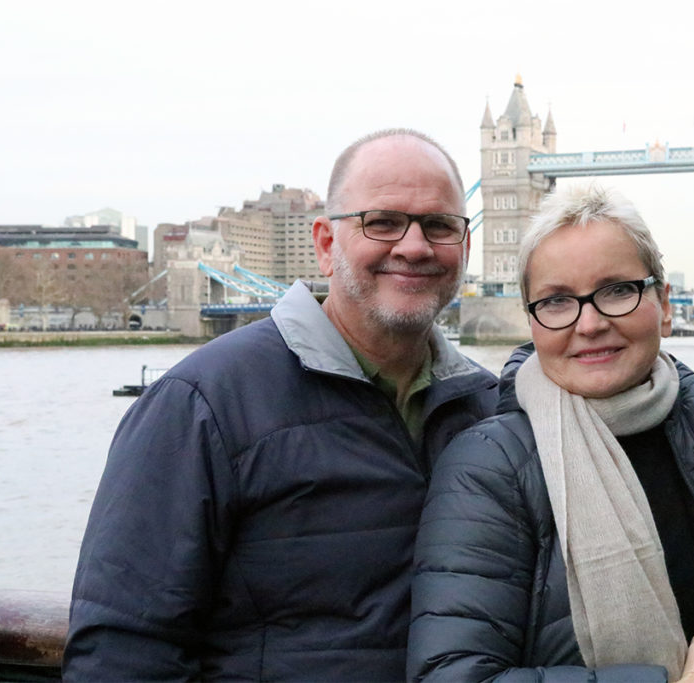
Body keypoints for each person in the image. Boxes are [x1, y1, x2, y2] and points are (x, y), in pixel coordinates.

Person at [63, 129, 498, 681]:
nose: (413, 246)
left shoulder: (492, 410)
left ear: (464, 245)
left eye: (439, 225)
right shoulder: (202, 403)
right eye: (382, 222)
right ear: (324, 244)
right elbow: (123, 650)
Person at [408, 184, 694, 682]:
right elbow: (450, 675)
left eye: (618, 290)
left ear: (664, 305)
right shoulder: (491, 466)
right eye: (557, 301)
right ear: (532, 321)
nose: (591, 322)